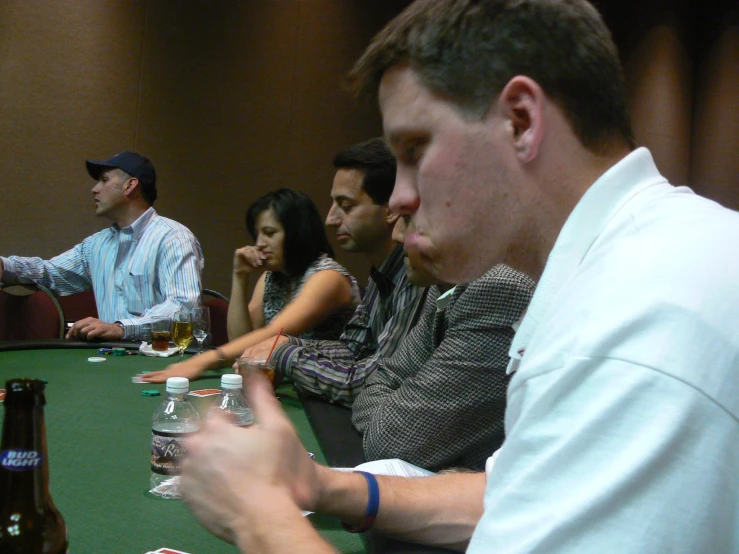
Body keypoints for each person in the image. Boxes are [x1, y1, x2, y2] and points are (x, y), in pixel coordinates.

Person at [182, 1, 739, 552]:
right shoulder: (629, 256)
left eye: (414, 150)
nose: (399, 197)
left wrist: (260, 516)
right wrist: (321, 486)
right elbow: (518, 496)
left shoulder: (630, 322)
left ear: (520, 121)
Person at [240, 138, 427, 406]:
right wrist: (285, 345)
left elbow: (371, 383)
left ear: (393, 209)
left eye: (346, 206)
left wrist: (284, 353)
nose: (330, 218)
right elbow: (353, 350)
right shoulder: (382, 274)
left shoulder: (417, 278)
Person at [352, 216, 534, 471]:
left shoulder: (498, 287)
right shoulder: (447, 286)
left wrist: (388, 417)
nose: (396, 235)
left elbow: (391, 441)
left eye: (409, 218)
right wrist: (388, 415)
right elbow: (383, 376)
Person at [141, 188, 361, 383]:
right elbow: (241, 343)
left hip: (333, 388)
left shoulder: (327, 276)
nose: (259, 244)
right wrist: (240, 277)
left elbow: (275, 334)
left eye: (270, 233)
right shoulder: (271, 277)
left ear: (298, 233)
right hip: (294, 383)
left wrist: (202, 361)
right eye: (257, 234)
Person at [0, 151, 203, 341]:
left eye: (104, 180)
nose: (94, 189)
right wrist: (4, 267)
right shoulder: (96, 245)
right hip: (111, 358)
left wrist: (121, 328)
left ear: (130, 185)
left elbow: (184, 309)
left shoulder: (173, 238)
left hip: (165, 362)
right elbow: (51, 273)